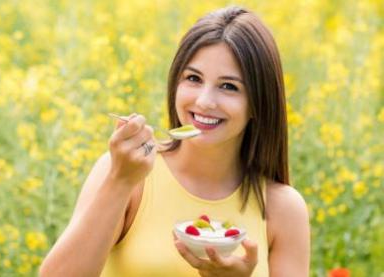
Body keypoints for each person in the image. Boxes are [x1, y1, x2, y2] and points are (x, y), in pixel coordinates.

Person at [40, 5, 310, 277]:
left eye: (229, 86)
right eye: (193, 78)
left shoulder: (284, 209)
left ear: (258, 103)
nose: (204, 101)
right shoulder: (128, 174)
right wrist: (119, 181)